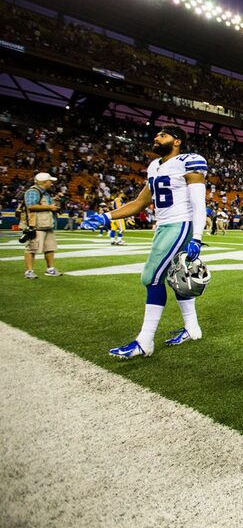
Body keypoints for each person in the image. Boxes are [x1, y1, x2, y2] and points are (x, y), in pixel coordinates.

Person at [89, 125, 208, 358]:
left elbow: (198, 203)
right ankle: (192, 329)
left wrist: (197, 237)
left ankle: (144, 341)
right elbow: (140, 202)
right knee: (178, 278)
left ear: (177, 142)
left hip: (180, 225)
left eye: (163, 135)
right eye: (157, 134)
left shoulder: (188, 161)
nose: (156, 137)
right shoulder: (154, 166)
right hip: (164, 226)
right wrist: (106, 216)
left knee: (151, 278)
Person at [22, 172, 62, 279]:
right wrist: (50, 207)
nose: (52, 183)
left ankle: (50, 269)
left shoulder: (45, 193)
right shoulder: (33, 191)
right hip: (37, 225)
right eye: (50, 181)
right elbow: (31, 206)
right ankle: (29, 271)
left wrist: (54, 203)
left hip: (47, 224)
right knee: (32, 248)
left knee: (50, 248)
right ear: (45, 182)